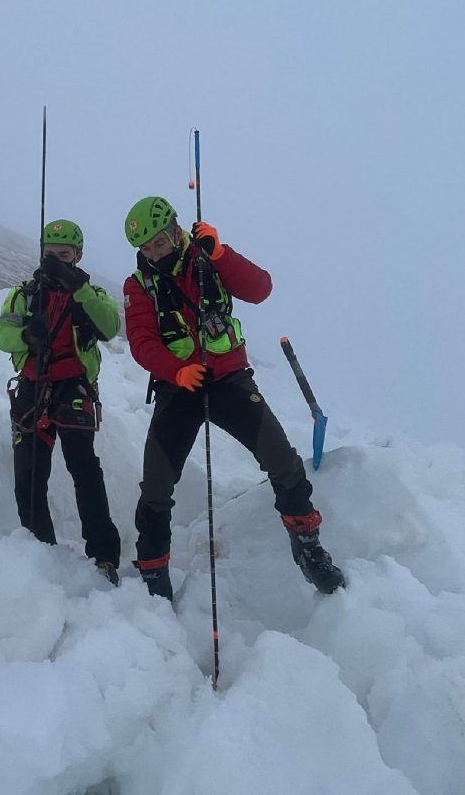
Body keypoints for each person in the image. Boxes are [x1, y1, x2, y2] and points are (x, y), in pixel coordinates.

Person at [122, 196, 345, 600]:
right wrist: (176, 370)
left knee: (284, 462)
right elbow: (140, 341)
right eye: (146, 248)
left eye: (159, 242)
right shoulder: (138, 285)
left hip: (229, 381)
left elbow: (260, 289)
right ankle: (154, 576)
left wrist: (221, 254)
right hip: (179, 387)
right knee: (156, 486)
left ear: (175, 230)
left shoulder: (209, 258)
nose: (154, 253)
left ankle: (309, 548)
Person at [0, 218, 122, 584]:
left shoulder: (90, 296)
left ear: (78, 257)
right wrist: (25, 335)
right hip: (33, 388)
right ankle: (39, 551)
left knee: (84, 469)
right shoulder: (25, 294)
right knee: (29, 474)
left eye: (64, 256)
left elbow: (111, 327)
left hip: (74, 388)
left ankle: (104, 556)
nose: (56, 261)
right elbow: (1, 333)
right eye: (50, 255)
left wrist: (77, 288)